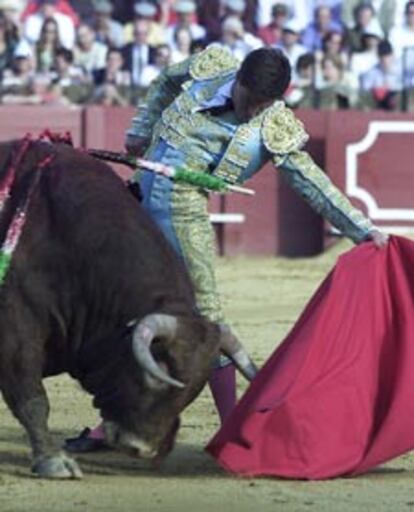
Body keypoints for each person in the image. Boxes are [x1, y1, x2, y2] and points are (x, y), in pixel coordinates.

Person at [65, 44, 388, 453]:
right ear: (238, 81)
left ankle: (231, 426)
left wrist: (362, 229)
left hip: (181, 215)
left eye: (264, 104)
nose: (254, 111)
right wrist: (140, 129)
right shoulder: (211, 69)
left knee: (206, 319)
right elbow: (165, 80)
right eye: (250, 100)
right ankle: (116, 423)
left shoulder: (273, 124)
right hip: (138, 203)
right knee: (123, 310)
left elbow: (313, 183)